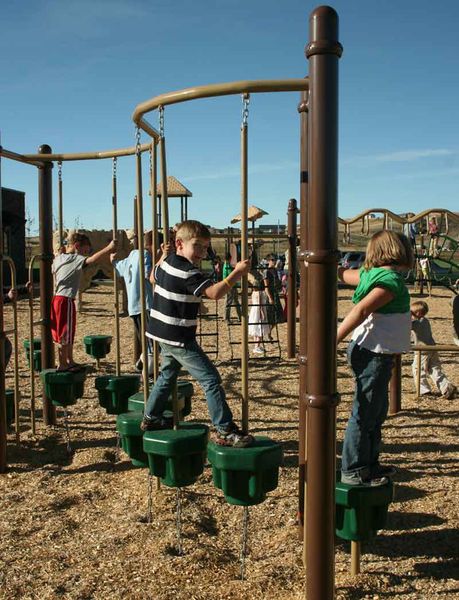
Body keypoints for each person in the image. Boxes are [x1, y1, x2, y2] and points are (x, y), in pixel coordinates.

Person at [142, 220, 253, 447]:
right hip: (178, 336)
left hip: (161, 332)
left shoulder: (167, 263)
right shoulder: (188, 271)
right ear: (180, 244)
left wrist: (163, 255)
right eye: (198, 246)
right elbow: (214, 293)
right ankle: (224, 430)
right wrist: (237, 273)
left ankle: (151, 417)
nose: (202, 253)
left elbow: (152, 277)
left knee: (167, 375)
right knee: (211, 379)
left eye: (205, 248)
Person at [337, 230, 414, 487]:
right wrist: (333, 337)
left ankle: (369, 462)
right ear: (399, 251)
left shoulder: (370, 274)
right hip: (374, 354)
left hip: (374, 352)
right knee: (365, 412)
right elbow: (361, 309)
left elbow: (345, 275)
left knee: (377, 410)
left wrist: (332, 269)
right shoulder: (390, 280)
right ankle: (354, 469)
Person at [51, 232, 115, 371]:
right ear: (77, 246)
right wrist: (108, 248)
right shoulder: (75, 258)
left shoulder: (59, 258)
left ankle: (69, 360)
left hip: (57, 299)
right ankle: (63, 364)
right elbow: (91, 260)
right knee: (64, 333)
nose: (85, 254)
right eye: (85, 250)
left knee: (66, 332)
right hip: (65, 299)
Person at [111, 230, 155, 372]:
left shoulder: (131, 256)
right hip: (145, 304)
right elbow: (149, 275)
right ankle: (147, 373)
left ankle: (142, 363)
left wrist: (112, 259)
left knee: (148, 340)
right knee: (153, 342)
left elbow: (118, 267)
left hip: (134, 306)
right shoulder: (146, 255)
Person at [411, 300, 456, 399]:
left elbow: (406, 326)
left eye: (412, 312)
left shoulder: (416, 323)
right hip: (432, 347)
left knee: (418, 369)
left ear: (418, 313)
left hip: (422, 351)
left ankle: (424, 391)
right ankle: (446, 387)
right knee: (434, 369)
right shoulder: (426, 321)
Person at [262, 254, 285, 332]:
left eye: (275, 259)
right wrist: (270, 298)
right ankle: (266, 333)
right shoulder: (266, 272)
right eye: (272, 260)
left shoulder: (275, 270)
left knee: (278, 317)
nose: (274, 261)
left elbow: (277, 282)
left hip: (275, 294)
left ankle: (269, 332)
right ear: (268, 261)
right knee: (270, 317)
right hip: (270, 295)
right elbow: (266, 287)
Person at [248, 280, 271, 355]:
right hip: (259, 311)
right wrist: (262, 313)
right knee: (260, 328)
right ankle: (257, 347)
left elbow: (251, 302)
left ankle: (256, 346)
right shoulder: (260, 293)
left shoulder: (253, 292)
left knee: (255, 329)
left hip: (254, 310)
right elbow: (260, 304)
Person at [222, 252, 241, 322]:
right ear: (230, 258)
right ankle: (227, 318)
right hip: (230, 286)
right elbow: (231, 276)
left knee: (235, 301)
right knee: (229, 302)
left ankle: (240, 316)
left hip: (230, 285)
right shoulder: (227, 266)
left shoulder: (226, 265)